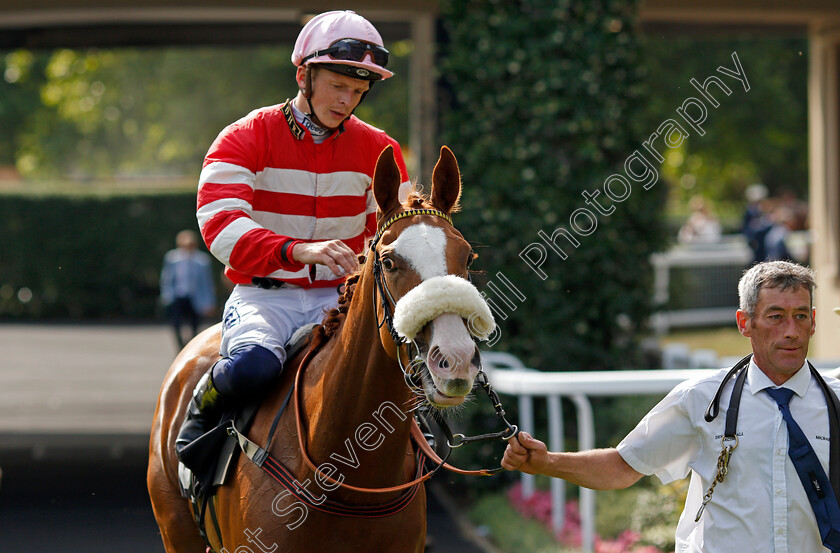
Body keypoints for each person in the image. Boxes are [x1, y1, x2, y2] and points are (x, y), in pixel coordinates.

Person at [176, 10, 410, 459]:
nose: (347, 101)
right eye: (338, 86)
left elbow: (392, 233)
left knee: (395, 373)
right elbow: (221, 227)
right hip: (266, 299)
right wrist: (300, 250)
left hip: (340, 301)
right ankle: (203, 411)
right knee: (254, 366)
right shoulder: (242, 137)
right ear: (304, 75)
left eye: (358, 91)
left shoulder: (381, 148)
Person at [503, 260, 840, 553]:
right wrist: (547, 462)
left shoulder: (835, 401)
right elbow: (622, 467)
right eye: (776, 317)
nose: (792, 332)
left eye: (800, 317)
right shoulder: (700, 400)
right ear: (744, 323)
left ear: (813, 322)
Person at [160, 229, 216, 349]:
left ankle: (191, 345)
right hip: (178, 296)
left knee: (194, 323)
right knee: (176, 323)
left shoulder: (202, 260)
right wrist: (167, 295)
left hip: (194, 297)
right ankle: (180, 346)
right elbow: (167, 278)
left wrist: (209, 302)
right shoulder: (172, 258)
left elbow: (206, 283)